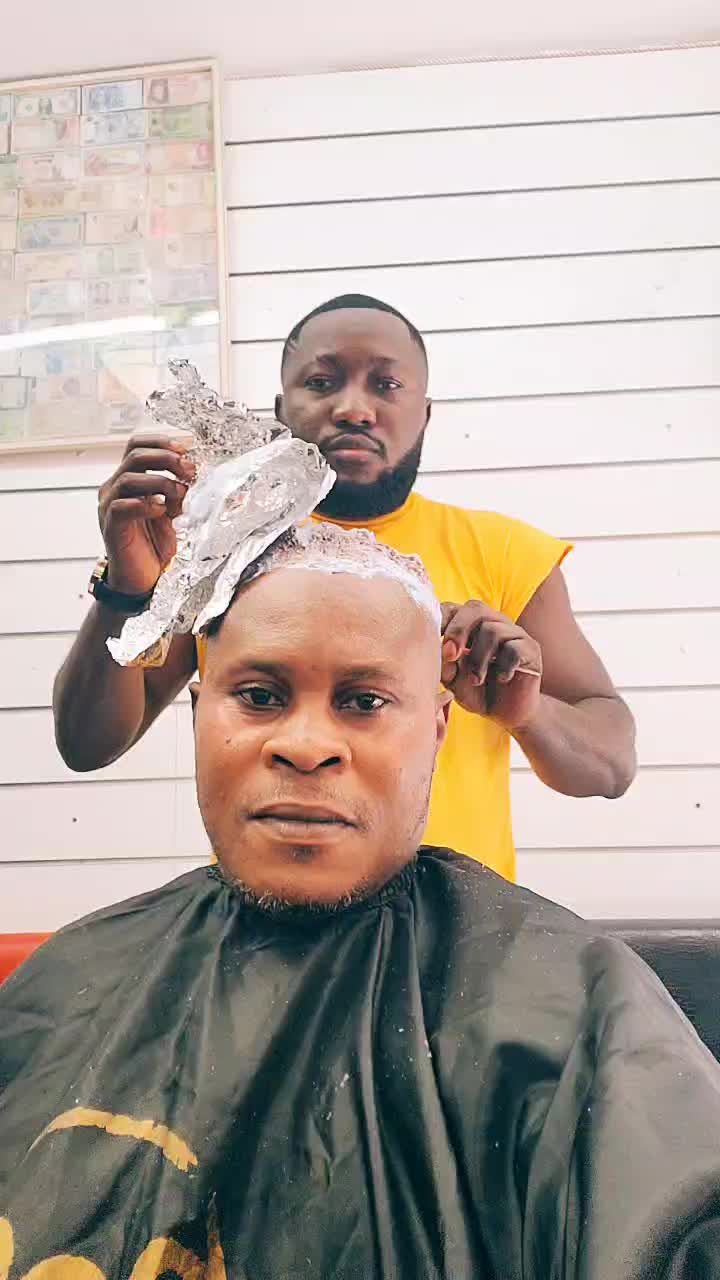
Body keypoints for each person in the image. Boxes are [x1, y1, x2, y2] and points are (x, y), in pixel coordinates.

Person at [9, 527, 720, 1279]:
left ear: (438, 731)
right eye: (259, 696)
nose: (306, 745)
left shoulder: (563, 1020)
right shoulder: (75, 977)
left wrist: (530, 712)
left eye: (364, 701)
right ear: (198, 714)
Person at [53, 295, 636, 879]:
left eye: (387, 385)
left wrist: (528, 714)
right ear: (281, 409)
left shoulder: (506, 554)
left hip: (457, 928)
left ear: (425, 413)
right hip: (269, 917)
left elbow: (611, 767)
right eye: (321, 382)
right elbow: (88, 745)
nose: (354, 409)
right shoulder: (218, 544)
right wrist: (125, 589)